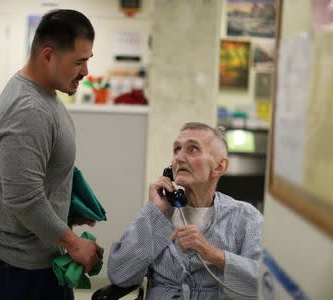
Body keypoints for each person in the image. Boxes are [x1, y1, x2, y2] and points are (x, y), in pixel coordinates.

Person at [0, 9, 101, 300]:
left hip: (37, 259)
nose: (85, 71)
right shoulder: (28, 110)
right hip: (22, 271)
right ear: (48, 56)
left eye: (88, 61)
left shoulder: (42, 93)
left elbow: (38, 171)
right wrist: (73, 243)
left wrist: (67, 207)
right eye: (79, 62)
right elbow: (24, 198)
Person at [107, 122, 263, 299]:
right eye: (176, 150)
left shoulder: (245, 217)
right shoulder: (160, 213)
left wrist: (214, 254)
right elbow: (119, 274)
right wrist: (153, 212)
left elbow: (265, 283)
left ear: (219, 167)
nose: (179, 158)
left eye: (192, 149)